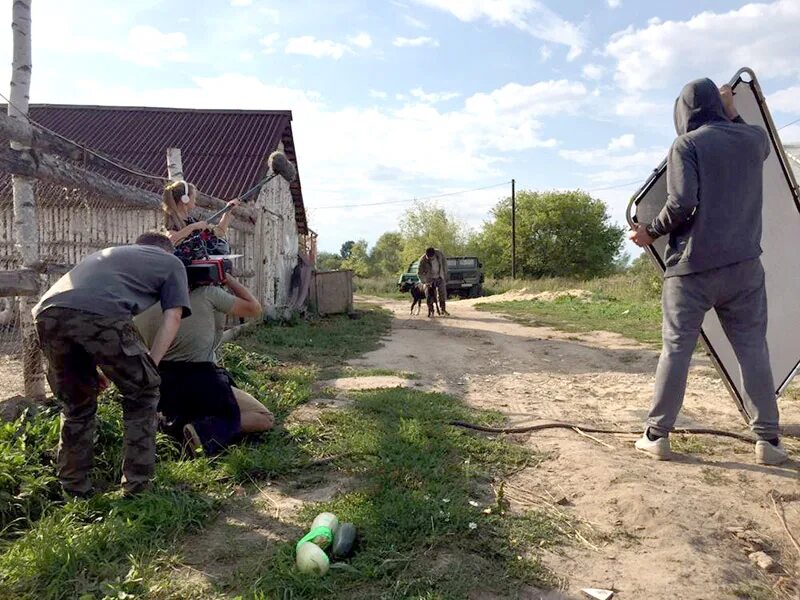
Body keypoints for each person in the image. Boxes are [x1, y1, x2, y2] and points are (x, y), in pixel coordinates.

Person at [629, 78, 788, 466]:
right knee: (752, 349)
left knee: (677, 349)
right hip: (745, 268)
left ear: (684, 111)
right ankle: (768, 441)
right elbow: (748, 132)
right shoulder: (753, 140)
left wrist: (650, 232)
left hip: (692, 268)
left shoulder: (688, 144)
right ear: (719, 107)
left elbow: (682, 203)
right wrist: (731, 109)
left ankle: (657, 435)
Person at [33, 232, 191, 497]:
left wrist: (96, 368)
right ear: (168, 250)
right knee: (143, 393)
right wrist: (150, 366)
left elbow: (76, 311)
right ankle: (137, 488)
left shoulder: (109, 254)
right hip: (102, 314)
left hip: (46, 313)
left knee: (77, 404)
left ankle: (74, 488)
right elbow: (173, 316)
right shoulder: (172, 262)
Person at [135, 272, 271, 457]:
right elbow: (254, 309)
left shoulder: (142, 305)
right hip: (204, 379)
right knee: (263, 417)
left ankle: (169, 427)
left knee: (185, 407)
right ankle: (201, 432)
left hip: (162, 383)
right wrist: (228, 278)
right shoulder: (208, 294)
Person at [161, 180, 240, 246]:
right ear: (185, 199)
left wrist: (228, 210)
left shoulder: (192, 221)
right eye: (193, 197)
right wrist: (193, 227)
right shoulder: (172, 223)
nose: (195, 201)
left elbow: (219, 232)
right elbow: (172, 240)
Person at [418, 246, 449, 316]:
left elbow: (445, 265)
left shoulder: (440, 255)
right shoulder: (422, 260)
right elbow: (419, 273)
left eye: (431, 258)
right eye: (428, 257)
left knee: (442, 292)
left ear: (434, 254)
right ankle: (431, 310)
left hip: (439, 276)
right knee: (428, 294)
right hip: (429, 279)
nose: (429, 259)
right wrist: (424, 282)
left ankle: (443, 309)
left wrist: (445, 274)